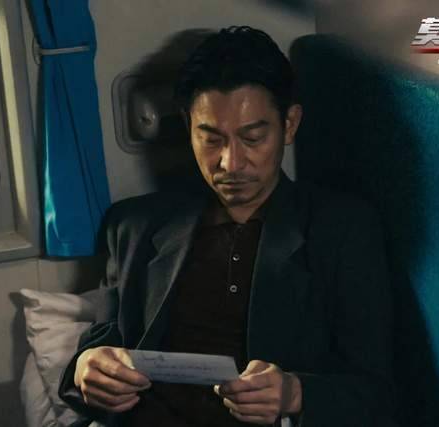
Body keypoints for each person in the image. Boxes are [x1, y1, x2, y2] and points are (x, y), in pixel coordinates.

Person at [59, 26, 392, 427]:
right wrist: (87, 367)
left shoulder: (341, 230)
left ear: (289, 125)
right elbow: (103, 344)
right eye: (212, 139)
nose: (230, 163)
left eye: (252, 138)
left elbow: (377, 392)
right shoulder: (134, 227)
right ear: (188, 127)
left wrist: (294, 393)